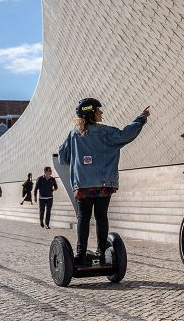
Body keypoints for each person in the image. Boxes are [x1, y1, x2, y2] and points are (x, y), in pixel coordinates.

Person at [58, 98, 150, 265]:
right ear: (92, 113)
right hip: (104, 184)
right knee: (101, 216)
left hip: (83, 185)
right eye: (99, 110)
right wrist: (140, 119)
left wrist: (78, 160)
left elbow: (63, 157)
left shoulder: (73, 135)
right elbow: (125, 134)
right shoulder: (106, 132)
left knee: (83, 217)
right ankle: (101, 252)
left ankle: (80, 254)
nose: (102, 113)